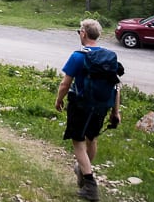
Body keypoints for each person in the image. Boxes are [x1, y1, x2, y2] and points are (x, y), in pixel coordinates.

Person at [54, 18, 122, 201]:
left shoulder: (78, 56)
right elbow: (116, 86)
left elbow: (65, 84)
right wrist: (116, 112)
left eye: (79, 32)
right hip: (102, 106)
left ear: (83, 33)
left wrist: (58, 101)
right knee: (92, 138)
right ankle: (85, 170)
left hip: (81, 105)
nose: (79, 34)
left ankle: (90, 185)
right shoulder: (109, 56)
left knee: (78, 141)